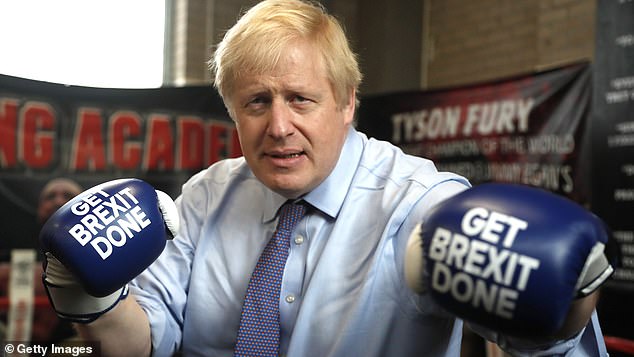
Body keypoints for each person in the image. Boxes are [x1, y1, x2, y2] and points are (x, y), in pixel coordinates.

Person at [40, 0, 610, 356]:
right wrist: (88, 298)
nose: (279, 126)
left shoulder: (419, 208)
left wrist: (568, 305)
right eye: (257, 102)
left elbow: (542, 346)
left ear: (346, 103)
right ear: (234, 113)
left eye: (301, 99)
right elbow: (145, 344)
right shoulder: (204, 197)